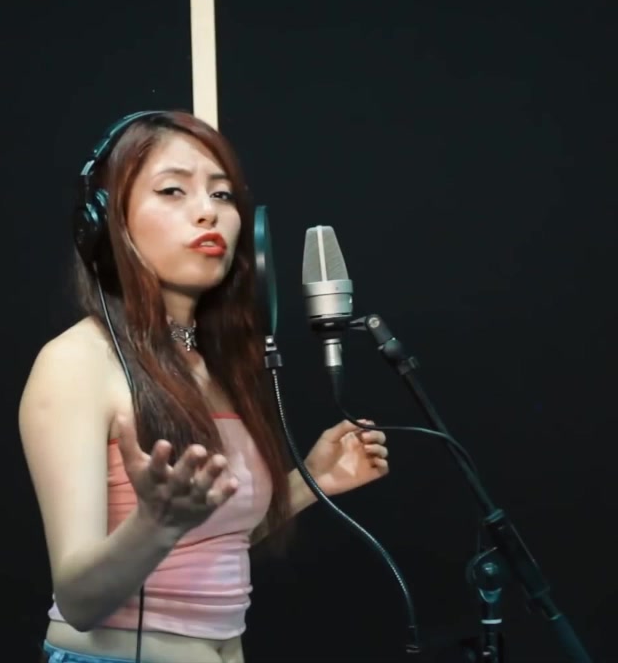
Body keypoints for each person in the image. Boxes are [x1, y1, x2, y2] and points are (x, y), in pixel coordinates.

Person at [19, 110, 391, 663]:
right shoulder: (76, 363)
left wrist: (311, 481)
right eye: (173, 190)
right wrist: (154, 525)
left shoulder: (213, 364)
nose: (207, 212)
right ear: (104, 222)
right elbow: (79, 601)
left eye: (222, 195)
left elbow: (209, 537)